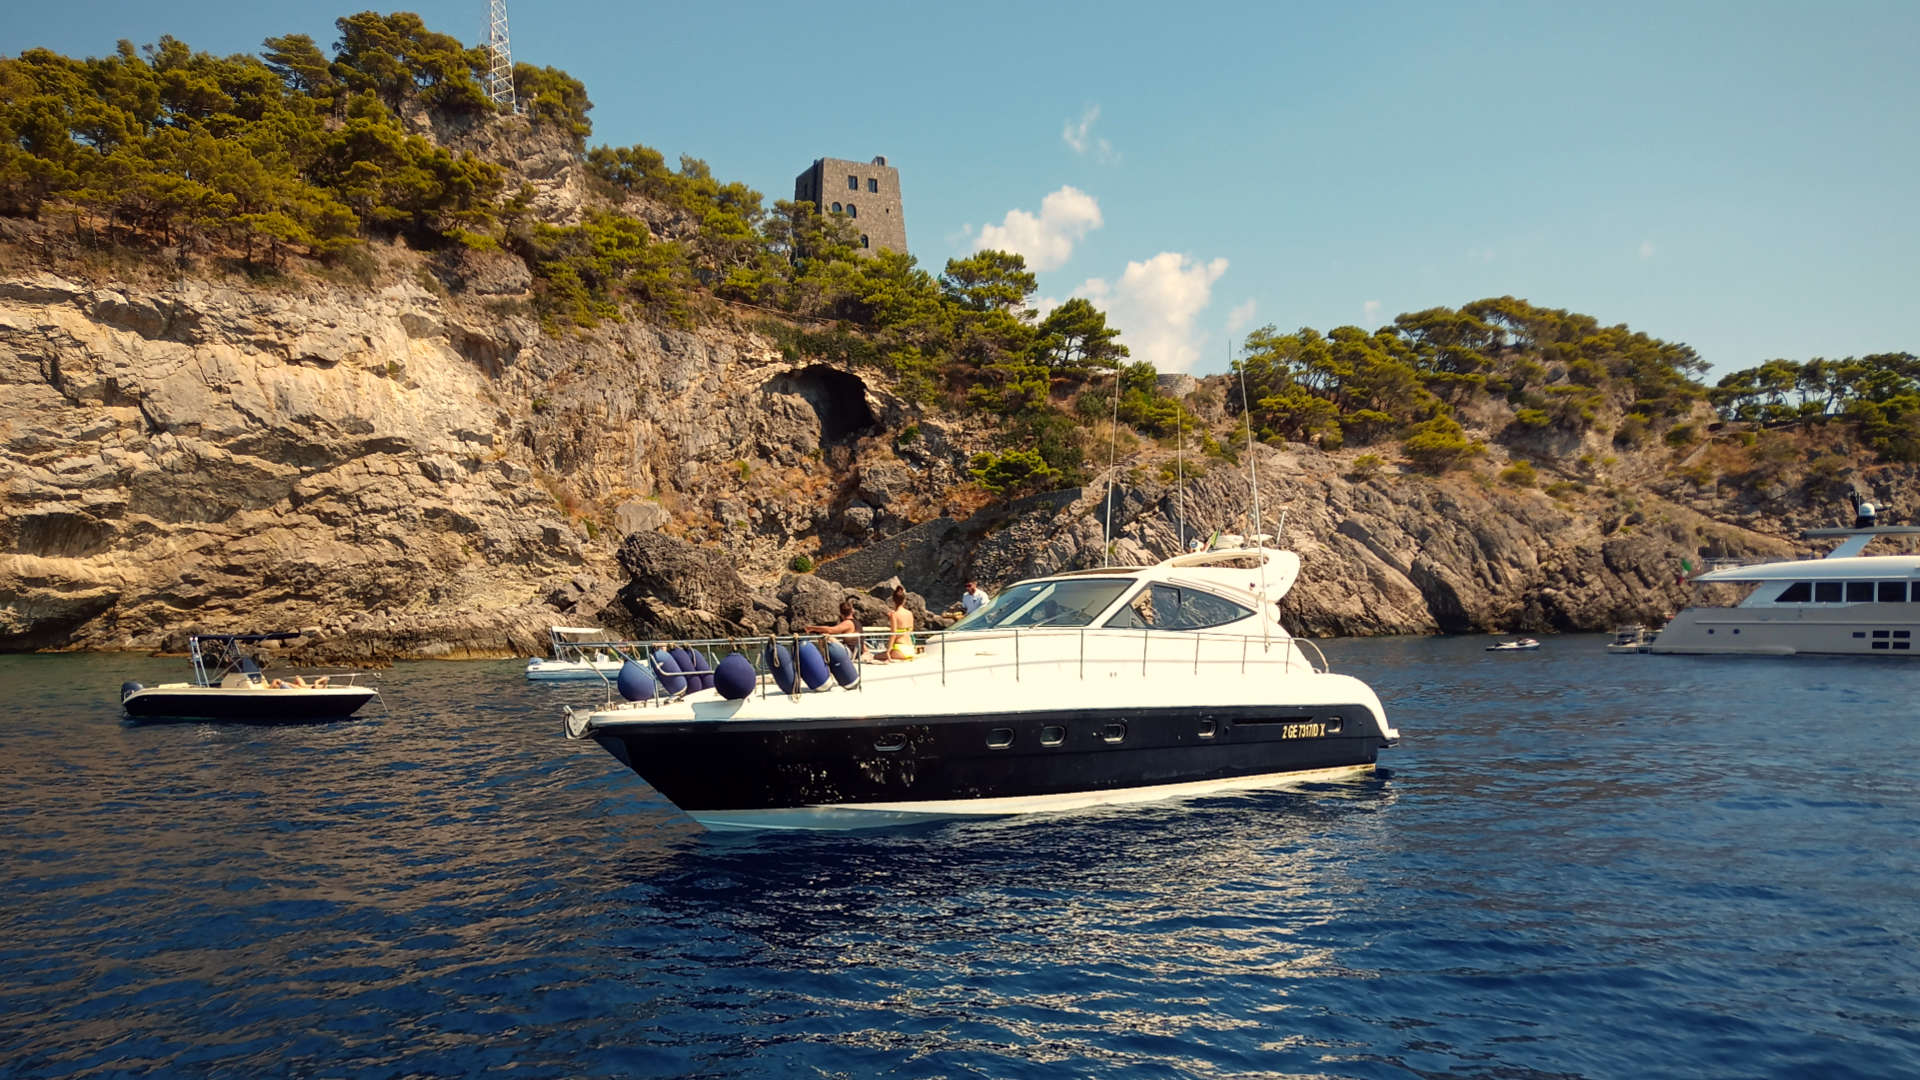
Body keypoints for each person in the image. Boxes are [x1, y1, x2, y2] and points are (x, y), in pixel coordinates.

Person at [885, 585, 917, 661]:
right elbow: (910, 630)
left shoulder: (894, 615)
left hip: (899, 649)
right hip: (910, 649)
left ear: (893, 600)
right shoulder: (910, 613)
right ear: (904, 600)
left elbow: (893, 634)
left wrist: (888, 650)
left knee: (876, 656)